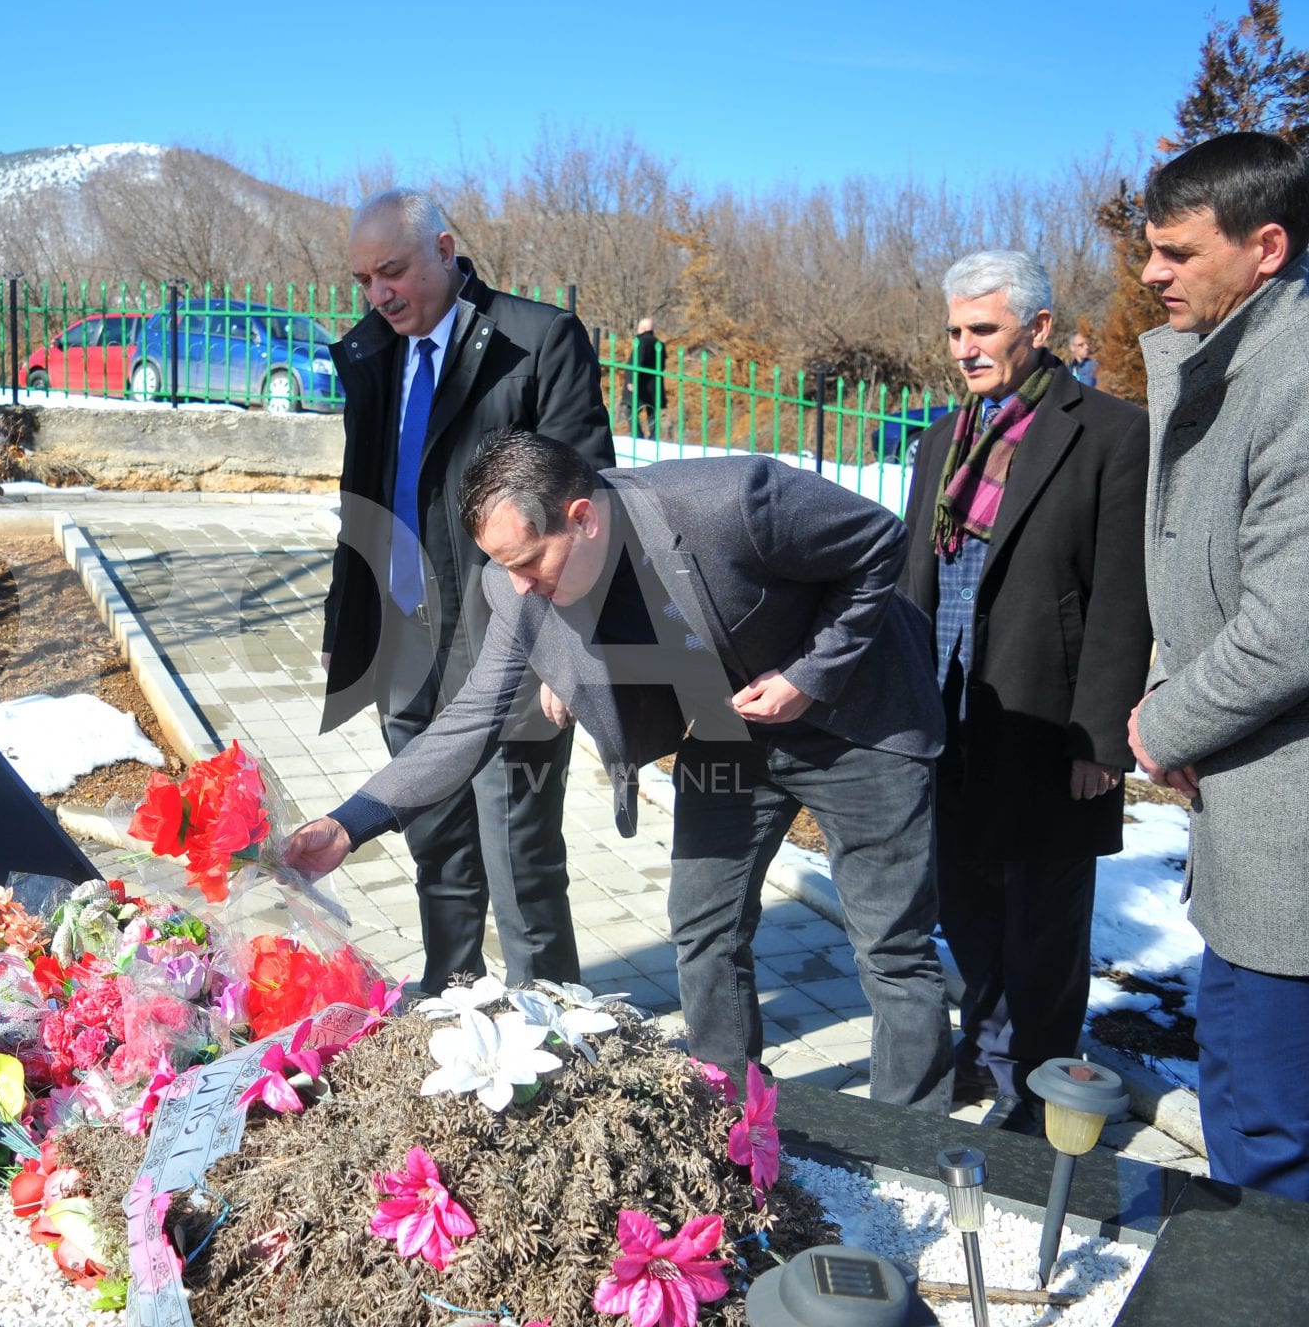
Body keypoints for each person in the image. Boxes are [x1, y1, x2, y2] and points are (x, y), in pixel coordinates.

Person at [289, 430, 956, 1112]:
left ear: (583, 517)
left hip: (860, 719)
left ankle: (912, 1137)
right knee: (704, 927)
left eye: (529, 562)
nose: (518, 586)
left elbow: (880, 541)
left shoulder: (736, 501)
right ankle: (729, 1112)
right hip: (731, 728)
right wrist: (349, 824)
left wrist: (808, 675)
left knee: (890, 946)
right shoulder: (517, 586)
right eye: (504, 566)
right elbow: (472, 718)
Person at [320, 190, 615, 994]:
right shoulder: (371, 354)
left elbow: (588, 508)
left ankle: (551, 1029)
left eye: (392, 270)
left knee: (519, 858)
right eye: (362, 279)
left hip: (506, 645)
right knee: (436, 850)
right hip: (401, 645)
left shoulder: (536, 341)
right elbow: (361, 497)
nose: (378, 294)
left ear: (445, 250)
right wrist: (346, 623)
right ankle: (454, 1007)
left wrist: (564, 645)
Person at [901, 251, 1152, 1135]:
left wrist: (1099, 742)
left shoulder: (1111, 433)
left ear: (1039, 329)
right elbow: (914, 577)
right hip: (949, 711)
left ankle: (1037, 1086)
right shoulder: (943, 438)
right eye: (954, 331)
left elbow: (1122, 598)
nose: (963, 349)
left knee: (1043, 917)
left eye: (984, 329)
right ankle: (985, 1044)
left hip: (1048, 718)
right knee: (967, 900)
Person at [1126, 131, 1309, 1201]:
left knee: (1267, 1126)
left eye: (1178, 253)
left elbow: (1289, 625)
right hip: (1246, 815)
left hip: (1286, 837)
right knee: (1246, 1093)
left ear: (1265, 247)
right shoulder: (1240, 362)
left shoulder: (1293, 378)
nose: (1151, 273)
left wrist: (1162, 724)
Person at [630, 318, 666, 438]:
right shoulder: (659, 344)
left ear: (643, 328)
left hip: (641, 384)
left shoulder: (641, 341)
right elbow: (662, 366)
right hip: (654, 385)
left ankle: (638, 437)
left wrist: (632, 380)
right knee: (652, 413)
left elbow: (638, 362)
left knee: (630, 409)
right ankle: (653, 438)